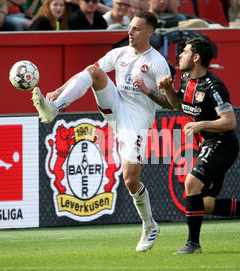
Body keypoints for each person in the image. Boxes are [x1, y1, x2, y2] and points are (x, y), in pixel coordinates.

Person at [31, 11, 171, 252]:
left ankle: (149, 225)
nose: (130, 32)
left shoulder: (157, 62)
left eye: (137, 29)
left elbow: (171, 103)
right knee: (94, 71)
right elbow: (84, 74)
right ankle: (55, 108)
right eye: (130, 27)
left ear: (150, 32)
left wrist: (148, 92)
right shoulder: (120, 53)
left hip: (135, 121)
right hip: (115, 104)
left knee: (130, 180)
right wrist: (57, 90)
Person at [148, 37, 240, 254]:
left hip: (222, 144)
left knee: (191, 184)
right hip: (207, 143)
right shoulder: (186, 80)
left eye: (185, 52)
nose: (180, 55)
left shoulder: (214, 86)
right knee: (205, 203)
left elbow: (230, 121)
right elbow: (179, 105)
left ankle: (193, 244)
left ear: (196, 57)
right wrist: (168, 90)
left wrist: (201, 125)